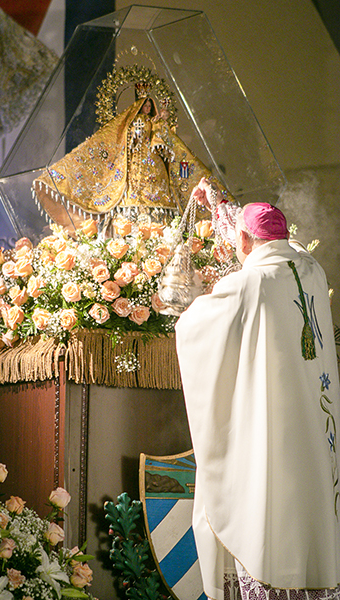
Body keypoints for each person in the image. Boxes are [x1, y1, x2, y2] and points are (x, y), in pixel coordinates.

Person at [175, 177, 340, 600]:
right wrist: (218, 203)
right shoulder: (313, 272)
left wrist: (181, 309)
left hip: (273, 421)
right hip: (317, 423)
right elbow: (275, 245)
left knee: (267, 497)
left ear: (246, 241)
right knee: (310, 504)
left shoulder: (249, 283)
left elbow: (194, 327)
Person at [32, 96, 231, 235]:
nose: (146, 109)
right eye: (143, 106)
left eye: (148, 106)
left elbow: (167, 143)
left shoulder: (156, 125)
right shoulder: (130, 125)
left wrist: (161, 128)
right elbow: (120, 141)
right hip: (132, 168)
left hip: (153, 167)